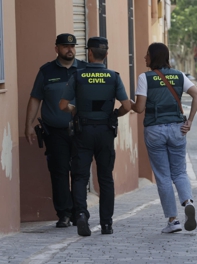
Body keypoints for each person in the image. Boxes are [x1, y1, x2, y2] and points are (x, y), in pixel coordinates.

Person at [59, 37, 131, 237]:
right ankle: (106, 224)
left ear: (89, 53)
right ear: (106, 54)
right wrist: (114, 115)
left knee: (80, 177)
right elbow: (127, 106)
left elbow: (63, 105)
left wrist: (76, 110)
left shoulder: (78, 76)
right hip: (106, 132)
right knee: (106, 178)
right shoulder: (114, 77)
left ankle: (81, 213)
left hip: (83, 132)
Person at [131, 42, 197, 234]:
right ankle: (187, 202)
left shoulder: (145, 78)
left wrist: (127, 103)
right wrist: (190, 121)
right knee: (179, 172)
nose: (145, 58)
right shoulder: (179, 75)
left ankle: (173, 220)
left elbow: (139, 108)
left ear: (153, 57)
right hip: (178, 129)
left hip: (155, 130)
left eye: (147, 55)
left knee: (163, 176)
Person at [24, 33, 87, 228]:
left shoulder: (85, 69)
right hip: (55, 132)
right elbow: (35, 98)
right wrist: (28, 124)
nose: (70, 50)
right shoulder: (46, 71)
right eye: (65, 46)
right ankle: (64, 213)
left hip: (80, 131)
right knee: (59, 172)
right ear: (56, 49)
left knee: (79, 172)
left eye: (73, 46)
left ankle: (80, 212)